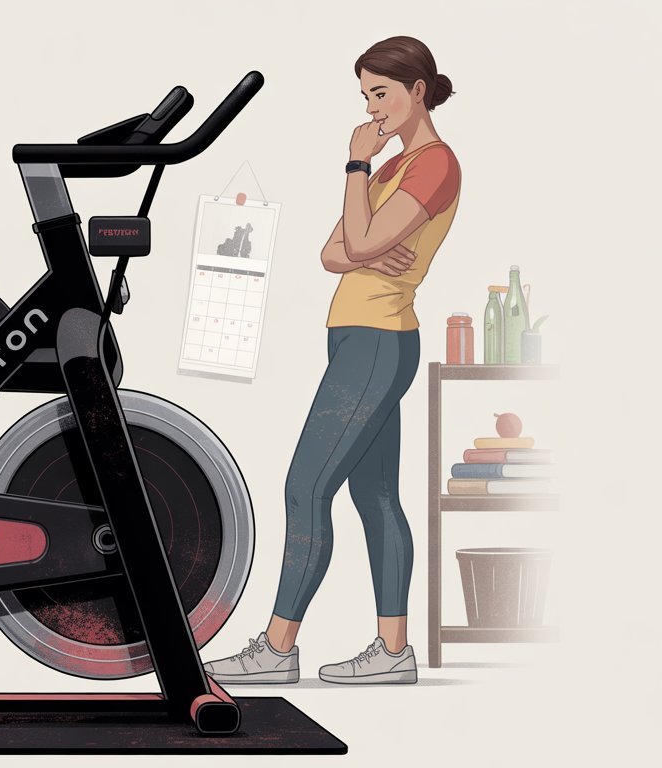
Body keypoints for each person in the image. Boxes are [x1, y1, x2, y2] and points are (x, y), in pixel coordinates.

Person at [205, 36, 461, 685]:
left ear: (417, 92)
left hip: (378, 339)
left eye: (381, 93)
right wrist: (366, 236)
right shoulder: (387, 173)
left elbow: (361, 239)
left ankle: (278, 647)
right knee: (374, 495)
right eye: (365, 96)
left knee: (305, 485)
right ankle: (394, 652)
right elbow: (331, 253)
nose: (372, 110)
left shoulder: (431, 164)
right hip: (354, 337)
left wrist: (353, 170)